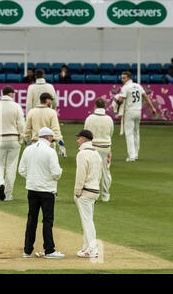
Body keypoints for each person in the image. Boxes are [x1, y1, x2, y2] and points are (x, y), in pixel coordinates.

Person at [19, 127, 64, 259]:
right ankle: (49, 250)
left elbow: (22, 170)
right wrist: (57, 174)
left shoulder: (28, 149)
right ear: (48, 137)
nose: (52, 141)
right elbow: (56, 173)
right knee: (48, 220)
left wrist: (33, 177)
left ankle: (27, 250)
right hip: (47, 190)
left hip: (32, 189)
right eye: (51, 138)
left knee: (32, 219)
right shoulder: (50, 152)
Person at [0, 86, 25, 202]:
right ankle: (8, 195)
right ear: (11, 94)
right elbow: (21, 124)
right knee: (11, 167)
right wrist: (21, 138)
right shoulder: (16, 106)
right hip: (13, 138)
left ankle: (0, 184)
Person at [115, 71, 156, 162]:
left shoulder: (125, 87)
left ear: (129, 78)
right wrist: (153, 108)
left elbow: (120, 100)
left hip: (130, 112)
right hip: (138, 112)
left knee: (129, 134)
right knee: (136, 133)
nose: (122, 80)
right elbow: (146, 97)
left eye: (124, 78)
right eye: (122, 78)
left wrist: (116, 104)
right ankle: (136, 154)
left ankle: (132, 156)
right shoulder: (138, 86)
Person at [74, 129, 102, 258]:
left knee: (87, 221)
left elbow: (81, 174)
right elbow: (100, 174)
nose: (77, 141)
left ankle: (92, 249)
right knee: (87, 219)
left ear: (84, 139)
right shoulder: (96, 153)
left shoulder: (82, 154)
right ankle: (87, 247)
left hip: (86, 191)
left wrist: (77, 191)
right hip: (95, 190)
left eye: (79, 138)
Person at [84, 98, 114, 202]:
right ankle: (105, 196)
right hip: (105, 147)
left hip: (92, 147)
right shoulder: (109, 119)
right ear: (104, 106)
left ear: (95, 106)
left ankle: (93, 195)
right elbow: (110, 133)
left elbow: (85, 133)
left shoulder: (89, 118)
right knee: (105, 172)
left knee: (93, 172)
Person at [24, 93, 66, 157]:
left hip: (35, 144)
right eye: (51, 100)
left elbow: (27, 130)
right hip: (48, 145)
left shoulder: (31, 112)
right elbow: (55, 130)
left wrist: (27, 144)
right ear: (47, 100)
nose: (51, 102)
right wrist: (61, 145)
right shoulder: (52, 112)